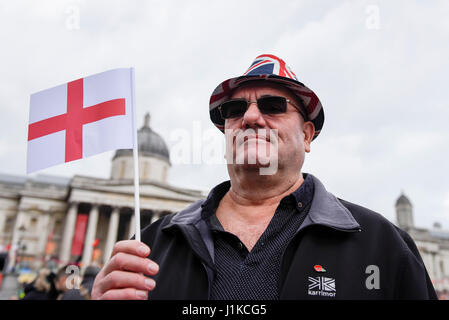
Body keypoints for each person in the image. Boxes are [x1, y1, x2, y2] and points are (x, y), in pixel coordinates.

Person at [91, 54, 437, 300]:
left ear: (306, 135)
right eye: (235, 109)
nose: (251, 117)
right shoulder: (152, 243)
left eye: (273, 105)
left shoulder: (381, 244)